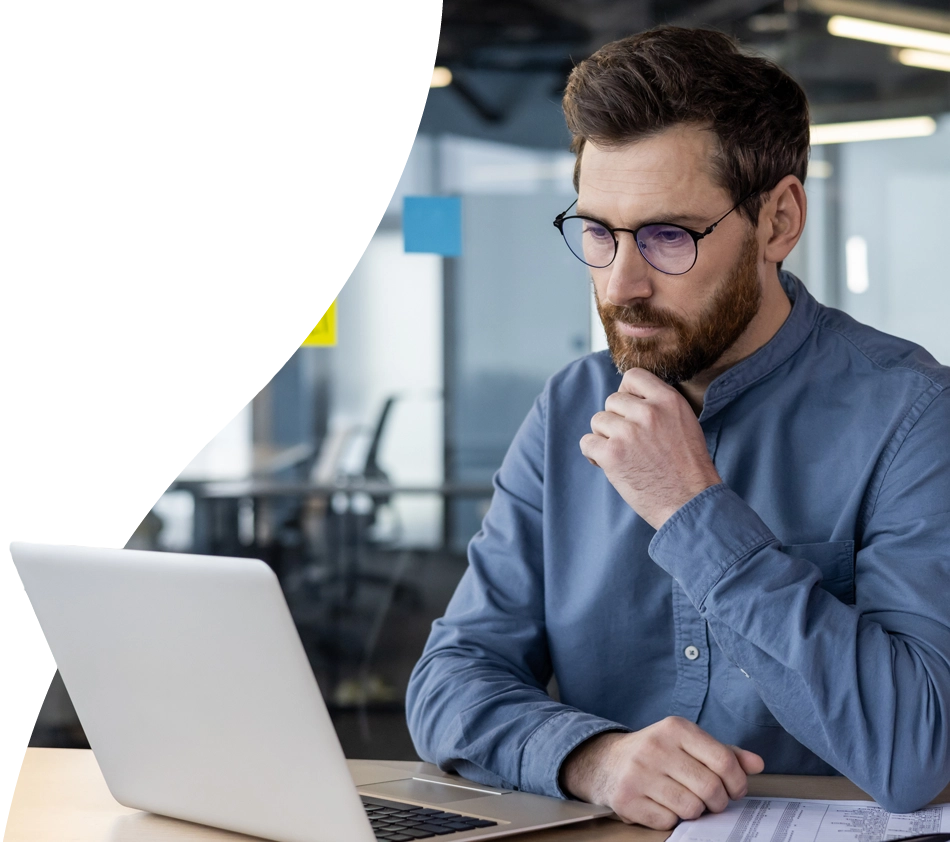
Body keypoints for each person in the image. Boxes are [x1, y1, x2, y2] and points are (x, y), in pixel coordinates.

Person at [405, 26, 950, 827]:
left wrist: (692, 510)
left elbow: (918, 752)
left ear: (778, 222)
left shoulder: (913, 416)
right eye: (599, 233)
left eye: (669, 237)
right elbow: (449, 679)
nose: (620, 285)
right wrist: (592, 759)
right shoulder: (570, 408)